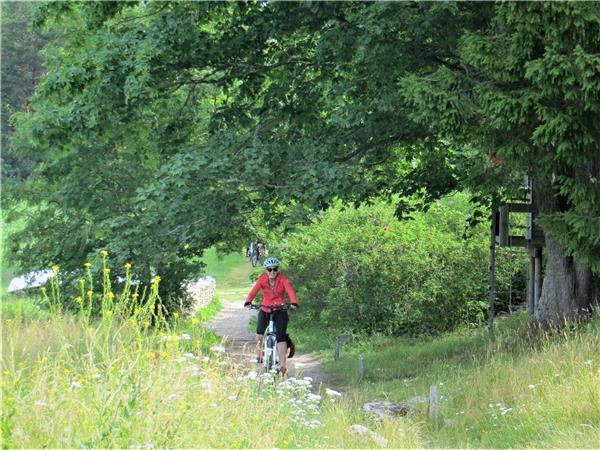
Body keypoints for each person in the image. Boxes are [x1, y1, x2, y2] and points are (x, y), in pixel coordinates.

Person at [244, 257, 297, 375]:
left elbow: (289, 290)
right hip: (265, 308)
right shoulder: (262, 279)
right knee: (259, 334)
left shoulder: (282, 278)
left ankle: (282, 366)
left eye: (275, 269)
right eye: (269, 269)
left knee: (281, 337)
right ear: (266, 270)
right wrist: (248, 301)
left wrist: (293, 302)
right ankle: (260, 354)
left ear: (278, 270)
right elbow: (254, 291)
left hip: (280, 309)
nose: (272, 272)